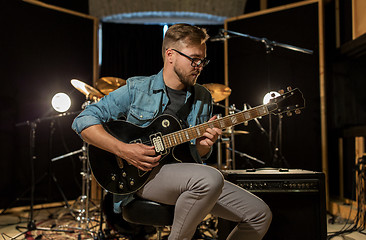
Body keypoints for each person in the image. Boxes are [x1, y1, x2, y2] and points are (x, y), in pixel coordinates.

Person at [72, 23, 271, 240]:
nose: (200, 66)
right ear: (170, 55)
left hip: (189, 176)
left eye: (203, 60)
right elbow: (83, 120)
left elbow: (196, 155)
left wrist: (204, 147)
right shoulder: (137, 89)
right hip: (142, 176)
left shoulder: (203, 97)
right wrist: (124, 150)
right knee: (210, 178)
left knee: (258, 214)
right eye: (194, 59)